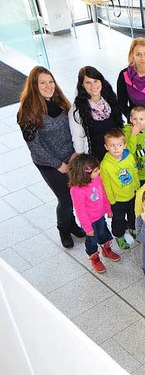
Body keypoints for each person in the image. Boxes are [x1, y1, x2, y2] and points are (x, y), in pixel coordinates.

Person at [17, 66, 86, 248]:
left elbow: (74, 129)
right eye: (43, 83)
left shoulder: (62, 103)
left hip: (71, 158)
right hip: (49, 164)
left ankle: (72, 224)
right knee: (65, 199)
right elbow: (35, 147)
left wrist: (75, 154)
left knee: (73, 194)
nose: (49, 86)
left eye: (51, 81)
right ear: (34, 85)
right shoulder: (27, 112)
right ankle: (63, 228)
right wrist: (59, 165)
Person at [68, 154, 120, 273]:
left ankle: (106, 249)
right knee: (92, 240)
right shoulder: (76, 191)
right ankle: (94, 258)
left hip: (100, 216)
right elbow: (80, 211)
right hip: (89, 221)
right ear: (85, 174)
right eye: (96, 170)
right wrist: (87, 228)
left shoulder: (97, 179)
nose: (99, 171)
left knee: (103, 233)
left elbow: (103, 194)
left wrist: (108, 209)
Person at [69, 66, 124, 160]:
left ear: (101, 81)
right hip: (95, 157)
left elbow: (120, 125)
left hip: (116, 153)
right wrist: (84, 159)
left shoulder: (110, 99)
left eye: (95, 81)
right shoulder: (77, 108)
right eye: (88, 82)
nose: (93, 85)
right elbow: (77, 137)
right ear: (82, 85)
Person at [100, 128, 140, 250]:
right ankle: (120, 236)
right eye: (112, 145)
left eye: (119, 145)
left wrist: (137, 188)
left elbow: (134, 172)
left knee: (133, 214)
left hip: (132, 194)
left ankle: (134, 229)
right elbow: (106, 185)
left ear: (125, 145)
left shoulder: (129, 157)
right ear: (106, 147)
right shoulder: (105, 165)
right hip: (117, 200)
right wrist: (111, 201)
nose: (116, 148)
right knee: (118, 220)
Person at [123, 106, 145, 183]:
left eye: (141, 119)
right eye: (135, 119)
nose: (138, 122)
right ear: (130, 119)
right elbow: (128, 152)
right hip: (136, 172)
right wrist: (133, 135)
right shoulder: (126, 132)